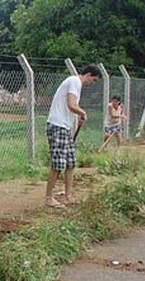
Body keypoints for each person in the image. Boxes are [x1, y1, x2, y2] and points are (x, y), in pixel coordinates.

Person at [45, 65, 101, 208]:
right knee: (58, 163)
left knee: (70, 163)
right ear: (88, 75)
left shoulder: (76, 84)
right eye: (94, 80)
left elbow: (70, 107)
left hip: (65, 127)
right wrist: (83, 113)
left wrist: (77, 118)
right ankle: (48, 197)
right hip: (58, 125)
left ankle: (68, 196)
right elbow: (71, 105)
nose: (92, 84)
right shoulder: (74, 81)